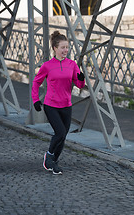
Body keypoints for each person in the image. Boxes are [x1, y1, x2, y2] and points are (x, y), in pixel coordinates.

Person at [31, 31, 85, 175]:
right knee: (60, 132)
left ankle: (53, 162)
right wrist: (36, 100)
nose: (65, 50)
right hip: (51, 105)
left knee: (63, 136)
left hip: (66, 105)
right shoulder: (48, 66)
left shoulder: (72, 64)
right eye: (62, 47)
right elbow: (36, 82)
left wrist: (81, 78)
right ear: (55, 48)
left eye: (67, 47)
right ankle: (49, 156)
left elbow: (79, 85)